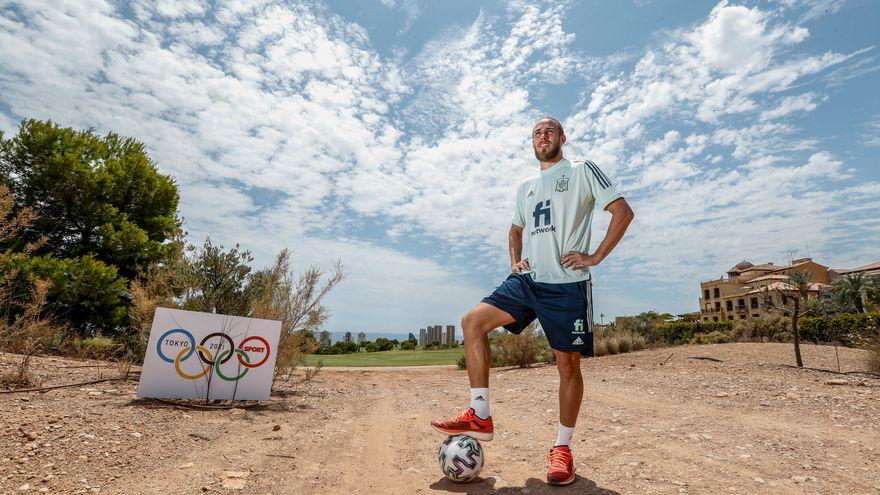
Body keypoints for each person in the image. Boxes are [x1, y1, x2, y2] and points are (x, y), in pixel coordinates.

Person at [431, 117, 634, 486]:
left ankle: (562, 449)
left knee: (567, 366)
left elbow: (622, 211)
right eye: (537, 133)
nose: (543, 136)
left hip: (566, 286)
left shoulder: (581, 170)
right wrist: (515, 260)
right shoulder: (525, 186)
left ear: (562, 138)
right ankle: (480, 414)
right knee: (472, 322)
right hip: (527, 282)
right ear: (533, 142)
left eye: (550, 131)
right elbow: (515, 229)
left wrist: (595, 256)